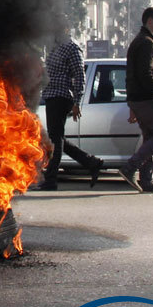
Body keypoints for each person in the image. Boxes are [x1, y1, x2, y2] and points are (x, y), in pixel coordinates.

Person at [37, 29, 103, 191]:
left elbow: (80, 76)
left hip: (61, 97)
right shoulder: (54, 47)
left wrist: (77, 102)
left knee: (55, 140)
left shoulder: (72, 48)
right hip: (51, 96)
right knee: (57, 138)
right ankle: (91, 162)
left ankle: (51, 180)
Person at [118, 7, 153, 193]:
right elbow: (145, 74)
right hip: (147, 98)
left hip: (139, 99)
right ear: (150, 21)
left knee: (150, 137)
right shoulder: (146, 43)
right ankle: (130, 167)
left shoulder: (141, 41)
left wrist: (131, 104)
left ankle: (147, 181)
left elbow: (130, 76)